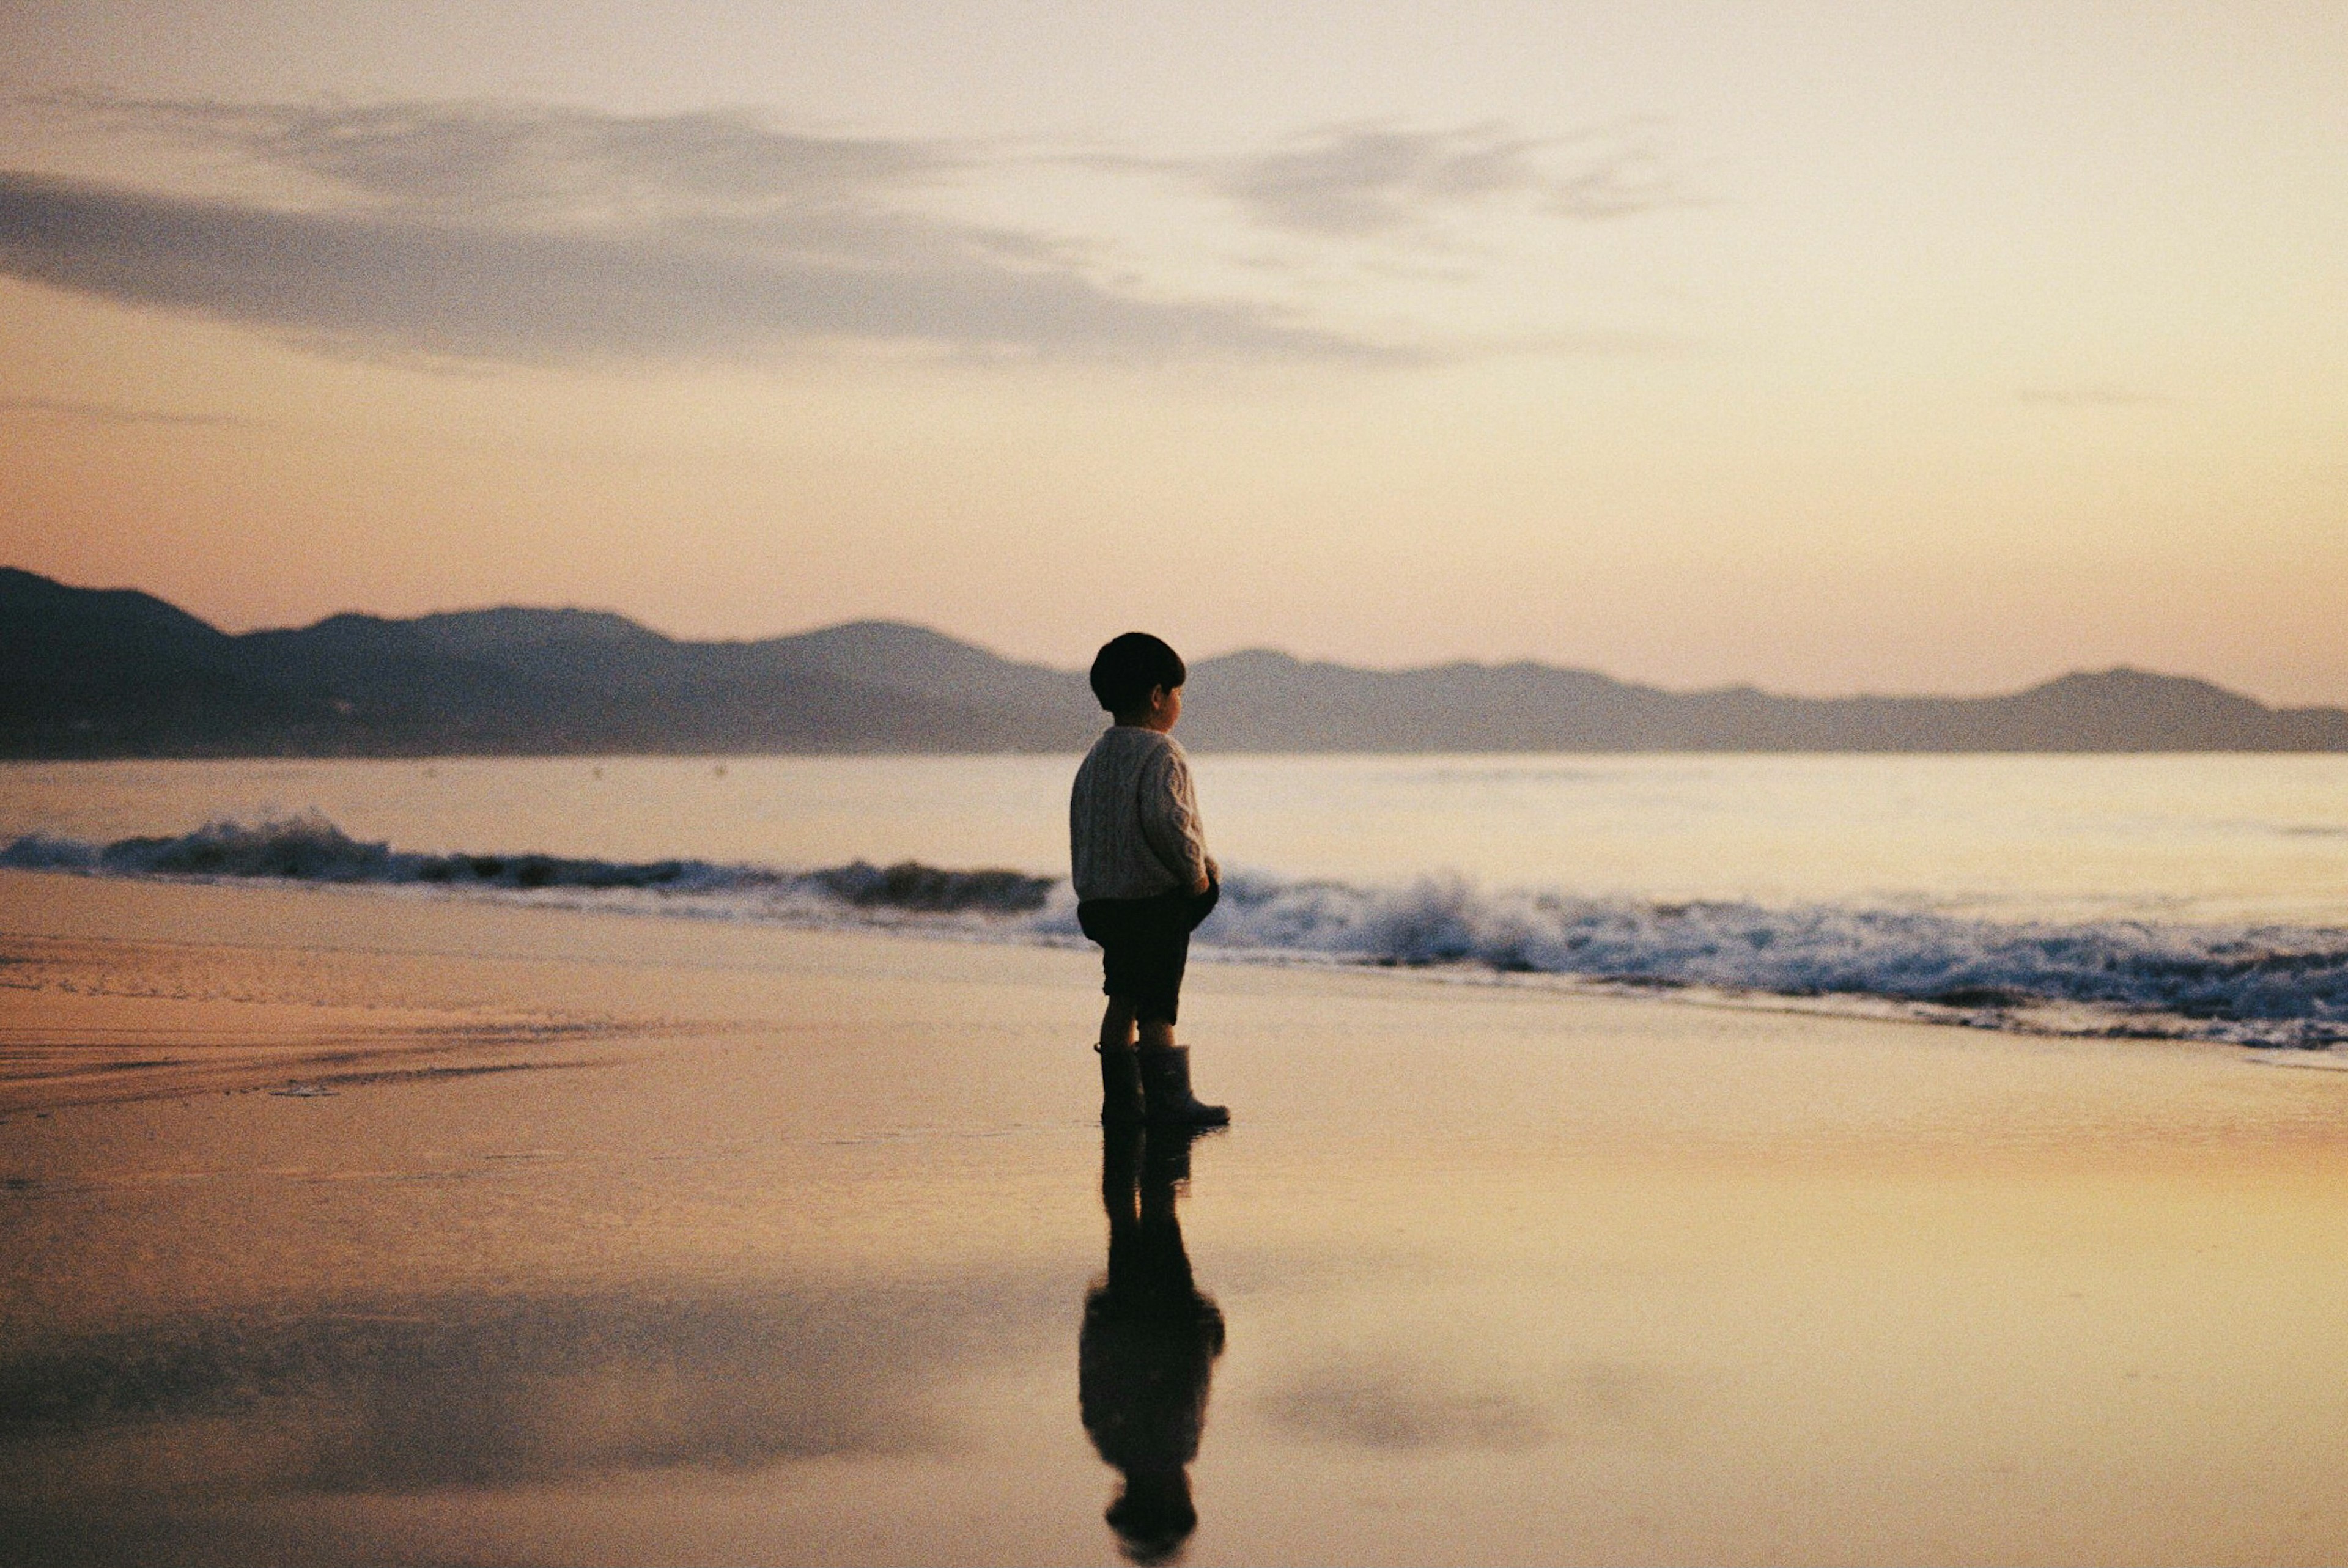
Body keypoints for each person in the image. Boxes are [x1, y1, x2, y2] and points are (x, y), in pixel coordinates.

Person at [1071, 632, 1228, 1127]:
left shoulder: (1095, 758)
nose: (1179, 703)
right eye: (1177, 693)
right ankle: (1168, 1101)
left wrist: (1091, 887)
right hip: (1150, 903)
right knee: (1158, 1001)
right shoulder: (1162, 753)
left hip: (1104, 902)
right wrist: (1198, 876)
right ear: (1158, 696)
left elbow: (1085, 825)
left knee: (1123, 996)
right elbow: (1170, 822)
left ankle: (1121, 1101)